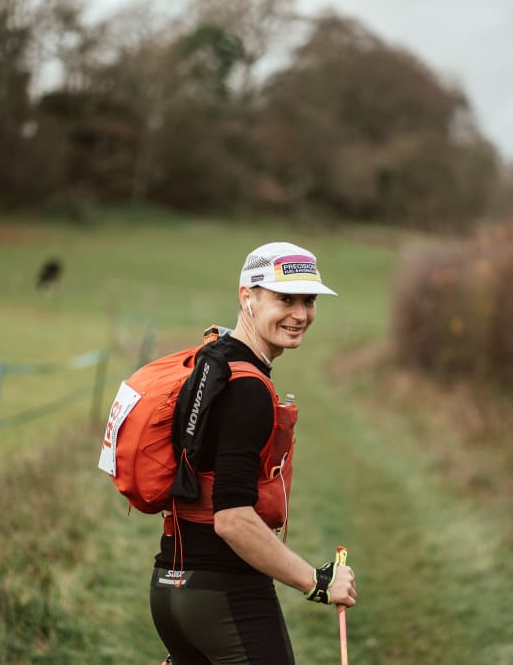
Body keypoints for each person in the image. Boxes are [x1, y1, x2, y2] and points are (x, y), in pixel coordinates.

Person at [148, 241, 358, 664]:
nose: (300, 314)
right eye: (285, 299)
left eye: (309, 301)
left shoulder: (212, 364)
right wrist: (317, 583)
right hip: (226, 593)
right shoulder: (247, 388)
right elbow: (232, 520)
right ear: (248, 297)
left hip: (171, 587)